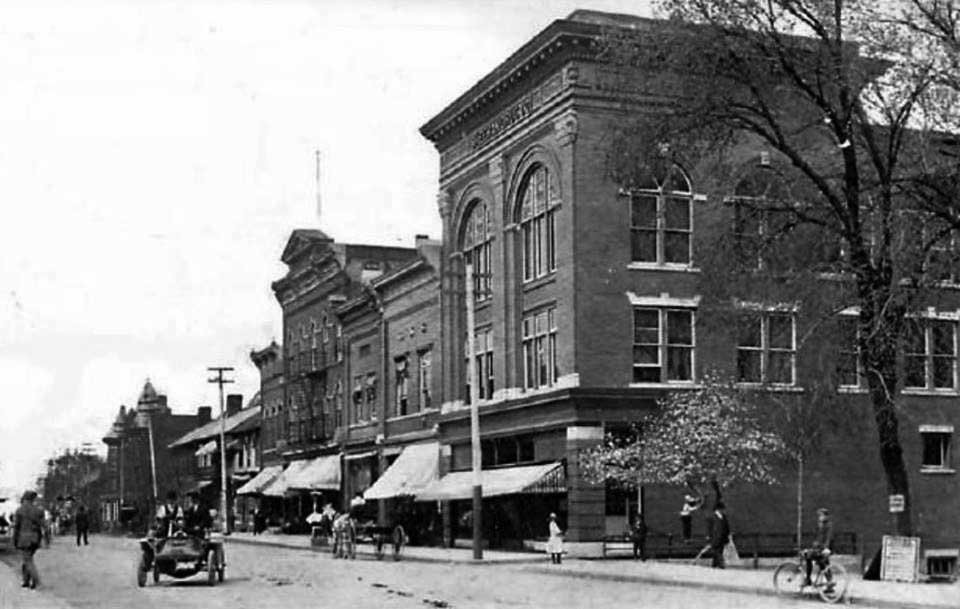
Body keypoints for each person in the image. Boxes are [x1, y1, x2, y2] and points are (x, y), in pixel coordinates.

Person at [13, 490, 44, 589]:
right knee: (27, 559)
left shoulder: (19, 510)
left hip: (24, 538)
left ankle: (37, 581)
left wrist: (14, 540)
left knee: (28, 560)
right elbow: (41, 526)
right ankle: (26, 581)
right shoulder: (38, 510)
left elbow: (16, 527)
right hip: (35, 538)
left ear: (25, 498)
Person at [804, 507, 835, 588]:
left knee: (808, 556)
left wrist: (827, 548)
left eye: (822, 515)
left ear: (826, 516)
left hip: (823, 549)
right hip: (819, 548)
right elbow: (816, 538)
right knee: (823, 563)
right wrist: (813, 546)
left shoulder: (828, 525)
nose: (820, 517)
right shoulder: (819, 525)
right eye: (819, 516)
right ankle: (829, 584)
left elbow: (829, 537)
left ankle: (807, 579)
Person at [707, 501, 731, 569]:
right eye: (722, 509)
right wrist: (709, 536)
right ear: (718, 509)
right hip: (715, 537)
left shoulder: (723, 517)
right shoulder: (712, 517)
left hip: (722, 537)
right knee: (718, 552)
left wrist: (727, 535)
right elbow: (709, 528)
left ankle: (714, 565)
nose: (723, 510)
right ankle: (721, 564)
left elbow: (726, 527)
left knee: (719, 551)